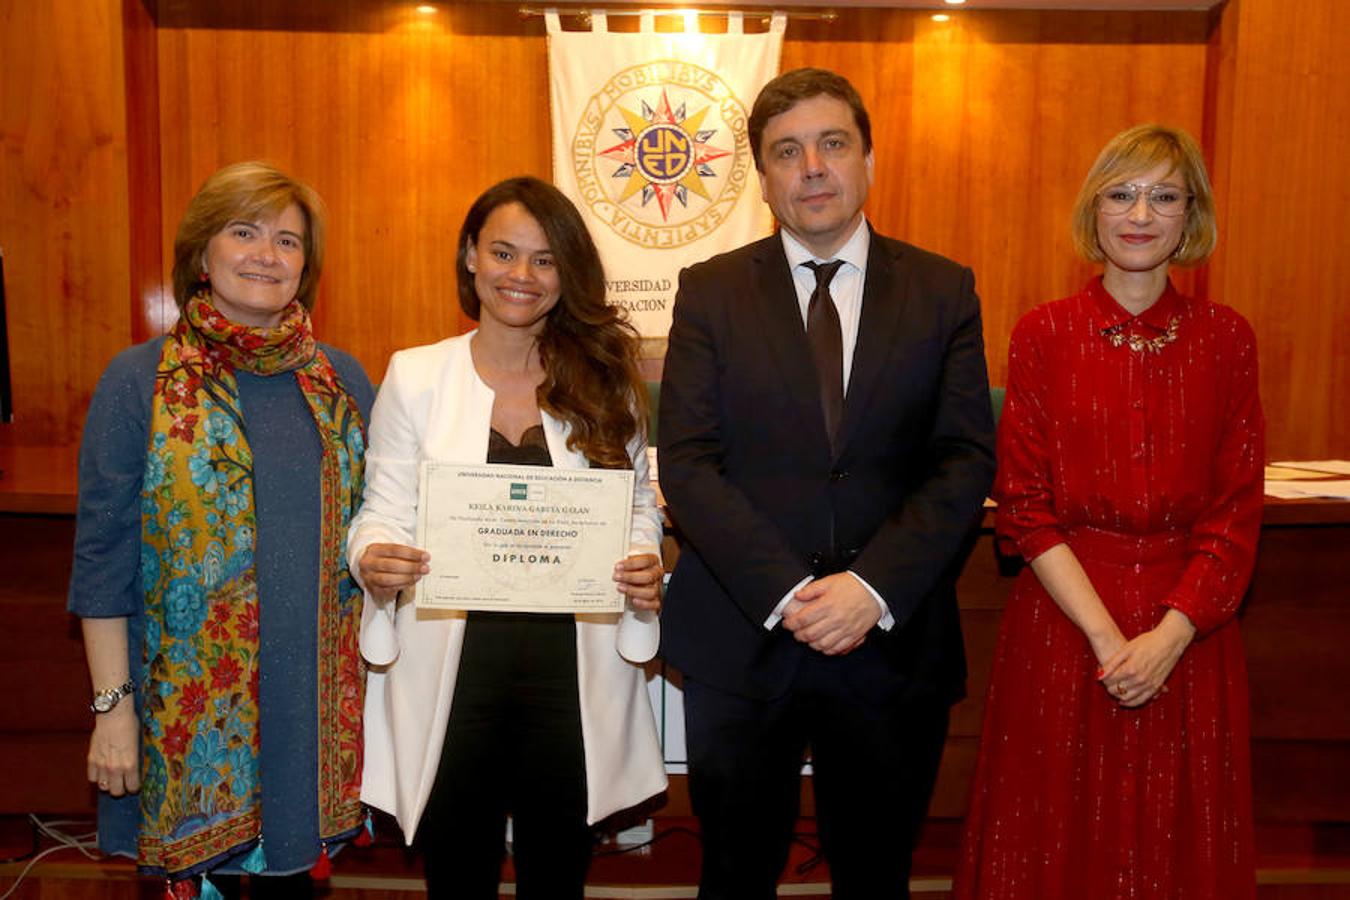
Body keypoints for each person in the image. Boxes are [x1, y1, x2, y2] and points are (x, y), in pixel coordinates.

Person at [658, 67, 997, 899]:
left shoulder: (943, 290)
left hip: (890, 640)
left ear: (868, 159)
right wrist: (791, 592)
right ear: (765, 177)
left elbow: (963, 459)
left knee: (876, 877)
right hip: (746, 636)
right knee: (735, 875)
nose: (811, 166)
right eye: (786, 151)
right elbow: (689, 462)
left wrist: (870, 588)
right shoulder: (711, 291)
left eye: (832, 143)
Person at [954, 124, 1263, 899]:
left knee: (1176, 840)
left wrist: (1167, 637)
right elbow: (1023, 504)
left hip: (1186, 631)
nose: (1139, 214)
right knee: (1049, 843)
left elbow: (1235, 509)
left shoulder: (1227, 340)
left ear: (1190, 216)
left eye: (1164, 196)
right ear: (1093, 211)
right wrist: (1106, 637)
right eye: (1121, 194)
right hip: (1065, 625)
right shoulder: (1043, 334)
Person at [348, 176, 668, 899]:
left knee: (558, 876)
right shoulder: (416, 375)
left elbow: (637, 507)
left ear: (568, 274)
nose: (522, 276)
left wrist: (645, 557)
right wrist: (371, 555)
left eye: (546, 260)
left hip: (571, 669)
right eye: (503, 252)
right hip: (455, 669)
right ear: (469, 257)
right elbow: (381, 509)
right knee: (457, 874)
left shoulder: (605, 378)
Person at [69, 162, 374, 898]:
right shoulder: (138, 378)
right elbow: (101, 562)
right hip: (183, 718)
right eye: (244, 232)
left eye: (288, 240)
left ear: (308, 267)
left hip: (313, 711)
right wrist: (113, 711)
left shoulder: (345, 381)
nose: (266, 254)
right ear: (202, 254)